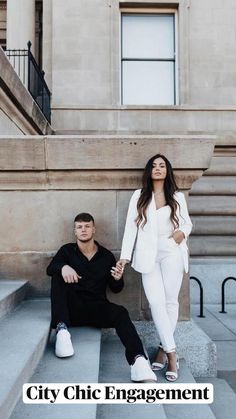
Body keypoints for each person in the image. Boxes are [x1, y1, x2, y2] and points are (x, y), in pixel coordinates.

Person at [46, 212, 157, 383]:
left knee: (120, 312)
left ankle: (138, 360)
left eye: (87, 226)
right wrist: (63, 267)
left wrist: (117, 278)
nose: (83, 230)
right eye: (79, 227)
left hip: (97, 308)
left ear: (94, 229)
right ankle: (61, 331)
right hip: (70, 310)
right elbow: (50, 268)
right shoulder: (67, 251)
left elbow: (116, 289)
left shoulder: (106, 256)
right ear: (75, 231)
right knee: (57, 275)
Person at [117, 154, 192, 382]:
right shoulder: (139, 196)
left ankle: (163, 350)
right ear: (148, 171)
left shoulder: (177, 196)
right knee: (156, 303)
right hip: (148, 255)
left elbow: (187, 222)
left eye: (162, 166)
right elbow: (131, 229)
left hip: (172, 251)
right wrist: (124, 258)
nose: (158, 169)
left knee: (170, 302)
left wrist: (181, 234)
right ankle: (172, 354)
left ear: (167, 171)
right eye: (154, 166)